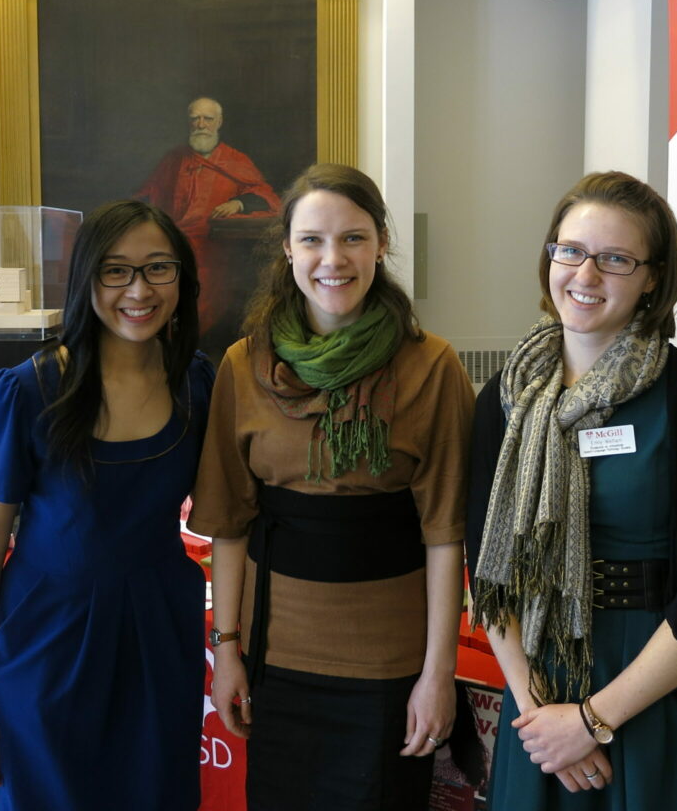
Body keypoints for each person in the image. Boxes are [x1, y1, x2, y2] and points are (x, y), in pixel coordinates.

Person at [467, 171, 677, 808]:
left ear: (653, 277)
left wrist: (592, 721)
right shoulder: (504, 400)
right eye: (570, 250)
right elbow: (490, 575)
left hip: (668, 696)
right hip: (545, 702)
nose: (584, 275)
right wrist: (540, 721)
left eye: (614, 259)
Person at [188, 164, 473, 811]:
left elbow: (445, 535)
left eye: (353, 238)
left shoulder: (432, 366)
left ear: (381, 245)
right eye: (313, 240)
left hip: (390, 668)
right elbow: (231, 523)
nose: (332, 259)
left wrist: (438, 673)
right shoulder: (243, 363)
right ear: (287, 247)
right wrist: (227, 652)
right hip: (276, 659)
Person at [0, 200, 213, 810]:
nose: (139, 290)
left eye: (158, 269)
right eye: (115, 271)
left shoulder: (197, 384)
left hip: (158, 634)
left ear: (182, 278)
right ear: (86, 279)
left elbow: (227, 521)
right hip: (48, 641)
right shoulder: (26, 391)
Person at [135, 96, 281, 338]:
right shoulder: (173, 159)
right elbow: (148, 194)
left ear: (219, 122)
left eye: (208, 119)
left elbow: (266, 195)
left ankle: (193, 341)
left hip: (213, 248)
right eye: (195, 119)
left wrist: (239, 202)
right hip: (169, 242)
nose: (201, 124)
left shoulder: (236, 160)